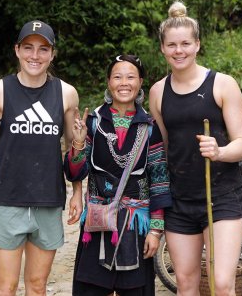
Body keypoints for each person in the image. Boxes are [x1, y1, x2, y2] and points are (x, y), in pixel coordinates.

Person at [149, 0, 242, 296]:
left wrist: (219, 152)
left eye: (185, 44)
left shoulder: (223, 85)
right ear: (163, 49)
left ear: (197, 45)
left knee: (221, 284)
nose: (178, 51)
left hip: (222, 198)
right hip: (179, 200)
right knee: (187, 283)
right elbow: (164, 148)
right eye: (171, 45)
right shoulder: (157, 92)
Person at [0, 20, 80, 295]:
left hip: (48, 201)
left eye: (43, 49)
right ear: (17, 50)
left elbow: (74, 151)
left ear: (52, 54)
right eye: (28, 48)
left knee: (37, 285)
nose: (35, 56)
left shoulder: (66, 94)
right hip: (7, 200)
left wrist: (77, 192)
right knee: (5, 287)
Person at [65, 54, 172, 296]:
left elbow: (159, 180)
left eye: (131, 77)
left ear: (141, 82)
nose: (124, 83)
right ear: (108, 82)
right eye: (117, 77)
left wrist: (156, 230)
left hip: (136, 226)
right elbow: (75, 171)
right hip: (97, 222)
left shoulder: (150, 127)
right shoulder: (93, 122)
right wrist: (79, 144)